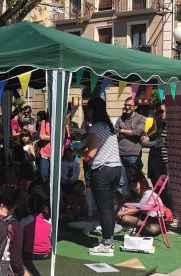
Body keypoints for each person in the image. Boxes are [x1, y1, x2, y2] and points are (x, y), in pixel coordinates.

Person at [72, 97, 122, 257]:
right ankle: (109, 240)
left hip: (102, 171)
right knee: (109, 207)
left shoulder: (96, 128)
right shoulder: (109, 127)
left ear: (92, 110)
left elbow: (89, 154)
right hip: (116, 169)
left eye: (88, 110)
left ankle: (107, 244)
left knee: (104, 208)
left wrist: (75, 151)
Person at [142, 103, 178, 229]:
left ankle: (173, 215)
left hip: (167, 161)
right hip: (155, 160)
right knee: (157, 189)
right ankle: (162, 214)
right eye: (158, 112)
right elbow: (145, 142)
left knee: (168, 189)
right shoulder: (155, 126)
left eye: (163, 111)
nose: (161, 114)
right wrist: (152, 142)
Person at [118, 167, 164, 235]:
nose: (133, 187)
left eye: (135, 183)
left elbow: (136, 210)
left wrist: (117, 214)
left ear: (142, 182)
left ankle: (140, 228)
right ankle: (139, 228)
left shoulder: (147, 193)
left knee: (125, 218)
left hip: (155, 220)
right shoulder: (142, 194)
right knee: (125, 214)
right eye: (131, 185)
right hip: (147, 218)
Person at [115, 97, 145, 197]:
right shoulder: (120, 119)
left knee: (135, 180)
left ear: (135, 106)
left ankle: (140, 200)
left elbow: (138, 132)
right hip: (120, 154)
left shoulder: (141, 118)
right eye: (126, 105)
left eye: (130, 105)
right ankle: (125, 200)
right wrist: (130, 132)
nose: (127, 107)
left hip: (134, 154)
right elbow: (115, 132)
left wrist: (123, 131)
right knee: (121, 180)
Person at [20, 194, 51, 260]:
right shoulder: (49, 220)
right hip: (46, 254)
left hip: (28, 254)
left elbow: (20, 237)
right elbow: (50, 236)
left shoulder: (25, 220)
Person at [38, 111, 51, 181]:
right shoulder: (44, 122)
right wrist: (53, 137)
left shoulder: (60, 122)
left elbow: (61, 136)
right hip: (45, 153)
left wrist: (48, 137)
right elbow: (41, 136)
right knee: (44, 176)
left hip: (56, 153)